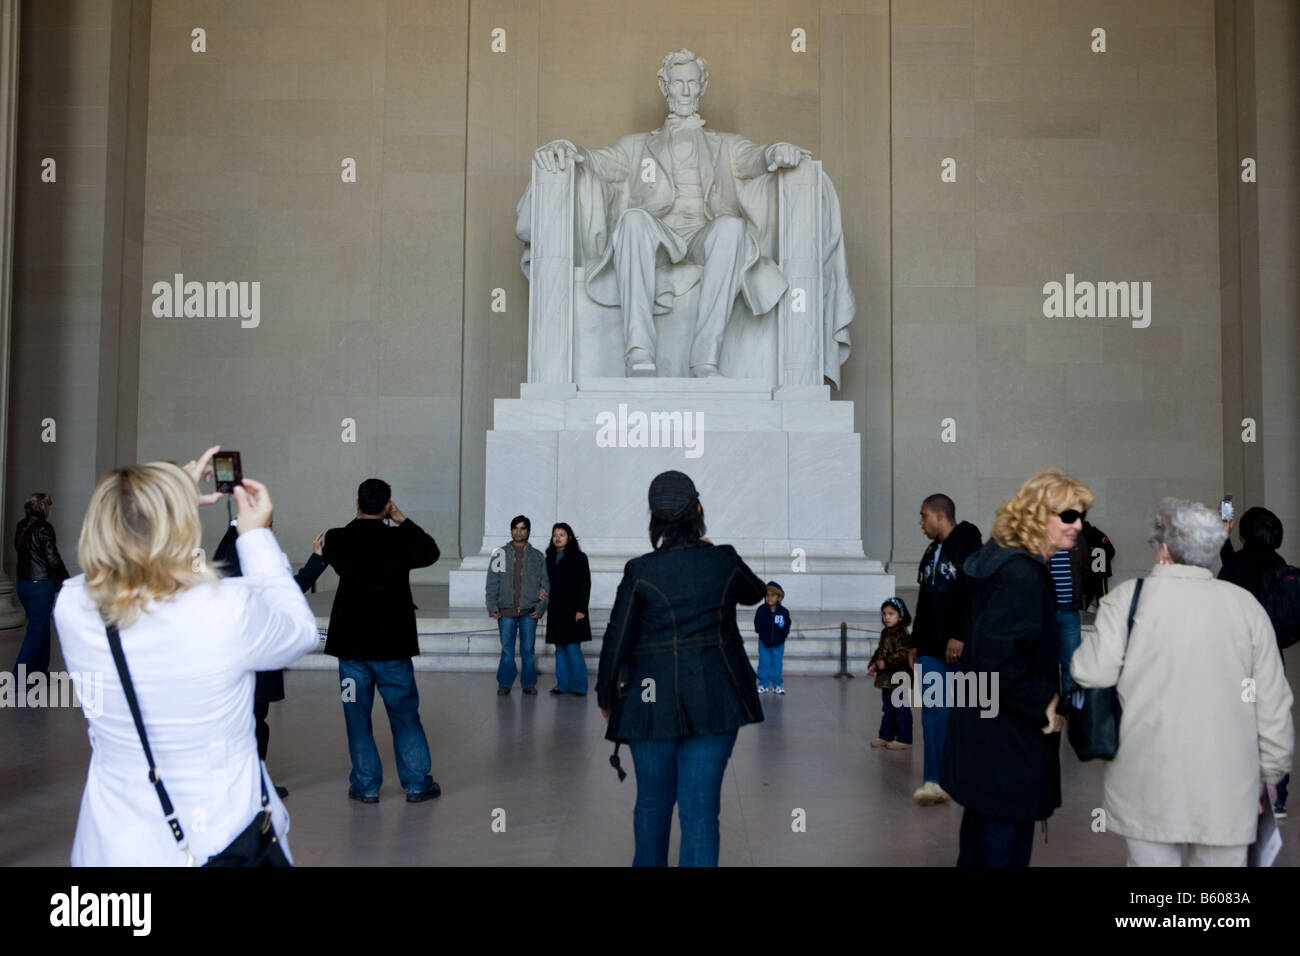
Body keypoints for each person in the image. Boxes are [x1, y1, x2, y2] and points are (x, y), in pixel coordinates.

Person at [52, 448, 319, 864]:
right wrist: (256, 537)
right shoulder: (226, 607)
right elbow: (299, 632)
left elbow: (130, 546)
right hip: (220, 834)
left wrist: (170, 497)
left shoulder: (72, 604)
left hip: (114, 842)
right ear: (180, 525)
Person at [532, 49, 815, 377]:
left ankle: (705, 359)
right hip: (657, 234)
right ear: (664, 86)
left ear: (702, 86)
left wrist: (776, 150)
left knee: (732, 229)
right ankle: (638, 352)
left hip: (703, 234)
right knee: (633, 220)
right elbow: (597, 161)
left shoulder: (726, 144)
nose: (684, 91)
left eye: (691, 83)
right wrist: (567, 148)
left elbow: (756, 158)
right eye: (677, 82)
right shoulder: (637, 145)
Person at [1073, 498, 1294, 866]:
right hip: (1229, 777)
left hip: (1145, 776)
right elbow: (1272, 699)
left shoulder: (1128, 600)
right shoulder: (1245, 606)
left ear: (1162, 548)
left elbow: (1090, 672)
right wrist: (1271, 768)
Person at [596, 471, 765, 866]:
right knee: (701, 811)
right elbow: (755, 593)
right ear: (698, 511)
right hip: (715, 699)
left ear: (654, 520)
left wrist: (606, 695)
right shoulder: (722, 560)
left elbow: (617, 637)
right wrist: (716, 551)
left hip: (650, 701)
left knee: (652, 805)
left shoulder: (641, 570)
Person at [942, 469, 1090, 867]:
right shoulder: (1022, 574)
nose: (1079, 526)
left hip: (989, 735)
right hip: (1008, 742)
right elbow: (998, 659)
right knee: (1000, 850)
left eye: (1081, 516)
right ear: (1039, 516)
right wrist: (1044, 701)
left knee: (981, 843)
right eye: (1069, 516)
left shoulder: (1004, 561)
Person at [323, 479, 441, 804]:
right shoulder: (400, 540)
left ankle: (366, 785)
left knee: (356, 717)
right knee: (405, 716)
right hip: (392, 646)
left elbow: (340, 544)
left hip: (350, 649)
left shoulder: (337, 538)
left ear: (357, 504)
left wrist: (361, 518)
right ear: (388, 505)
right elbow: (431, 551)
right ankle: (417, 783)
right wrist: (400, 518)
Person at [214, 520, 328, 797]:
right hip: (251, 656)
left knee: (247, 721)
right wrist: (316, 561)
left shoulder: (228, 554)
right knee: (252, 722)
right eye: (269, 526)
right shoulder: (247, 559)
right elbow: (287, 594)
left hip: (232, 657)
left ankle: (246, 783)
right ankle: (251, 786)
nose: (274, 532)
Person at [908, 493, 982, 806]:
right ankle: (934, 781)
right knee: (933, 713)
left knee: (966, 711)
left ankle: (964, 776)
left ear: (940, 515)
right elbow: (925, 598)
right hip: (930, 646)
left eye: (924, 515)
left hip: (959, 647)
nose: (921, 522)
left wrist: (960, 635)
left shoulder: (970, 547)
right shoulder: (930, 551)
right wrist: (914, 641)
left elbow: (975, 596)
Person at [1218, 506, 1292, 816]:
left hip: (1240, 656)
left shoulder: (1236, 565)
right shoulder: (1280, 564)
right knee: (1272, 719)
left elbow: (1228, 584)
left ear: (1244, 534)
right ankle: (1277, 795)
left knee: (1238, 720)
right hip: (1272, 654)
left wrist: (1223, 538)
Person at [486, 515, 549, 696]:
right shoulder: (500, 554)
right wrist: (492, 606)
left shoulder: (537, 556)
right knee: (507, 649)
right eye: (515, 528)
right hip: (505, 611)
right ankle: (505, 683)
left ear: (528, 531)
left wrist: (541, 607)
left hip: (529, 611)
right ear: (511, 530)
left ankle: (528, 683)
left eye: (522, 528)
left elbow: (545, 584)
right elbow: (492, 582)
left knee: (528, 649)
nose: (518, 531)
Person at [11, 492, 71, 682]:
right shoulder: (44, 527)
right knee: (36, 634)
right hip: (40, 586)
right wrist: (66, 581)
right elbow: (53, 558)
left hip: (23, 584)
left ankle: (39, 674)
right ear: (46, 508)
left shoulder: (21, 525)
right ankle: (18, 679)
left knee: (42, 629)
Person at [544, 522, 592, 696]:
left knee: (572, 647)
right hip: (556, 610)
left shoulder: (579, 557)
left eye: (561, 534)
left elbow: (585, 584)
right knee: (559, 649)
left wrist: (581, 609)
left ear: (569, 537)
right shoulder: (548, 557)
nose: (557, 538)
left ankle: (579, 685)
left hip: (574, 610)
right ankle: (561, 684)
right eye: (555, 534)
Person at [867, 597, 913, 751]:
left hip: (900, 677)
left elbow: (904, 653)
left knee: (901, 708)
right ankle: (886, 735)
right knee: (888, 708)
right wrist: (874, 663)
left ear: (900, 616)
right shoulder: (885, 632)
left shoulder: (902, 634)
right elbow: (880, 650)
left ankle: (904, 738)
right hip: (886, 678)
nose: (887, 617)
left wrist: (886, 662)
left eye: (891, 614)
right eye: (884, 614)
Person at [1050, 535, 1088, 696]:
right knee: (1046, 664)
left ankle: (1069, 709)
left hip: (1070, 610)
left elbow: (1085, 569)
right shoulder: (1039, 536)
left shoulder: (1077, 539)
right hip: (1046, 612)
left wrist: (1079, 596)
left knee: (1072, 664)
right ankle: (1051, 711)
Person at [753, 580, 791, 695]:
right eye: (767, 595)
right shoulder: (761, 610)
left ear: (779, 597)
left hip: (778, 643)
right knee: (764, 662)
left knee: (776, 663)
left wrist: (783, 636)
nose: (769, 597)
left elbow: (787, 625)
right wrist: (760, 633)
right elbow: (757, 623)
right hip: (764, 642)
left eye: (773, 595)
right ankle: (763, 684)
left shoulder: (783, 612)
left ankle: (776, 684)